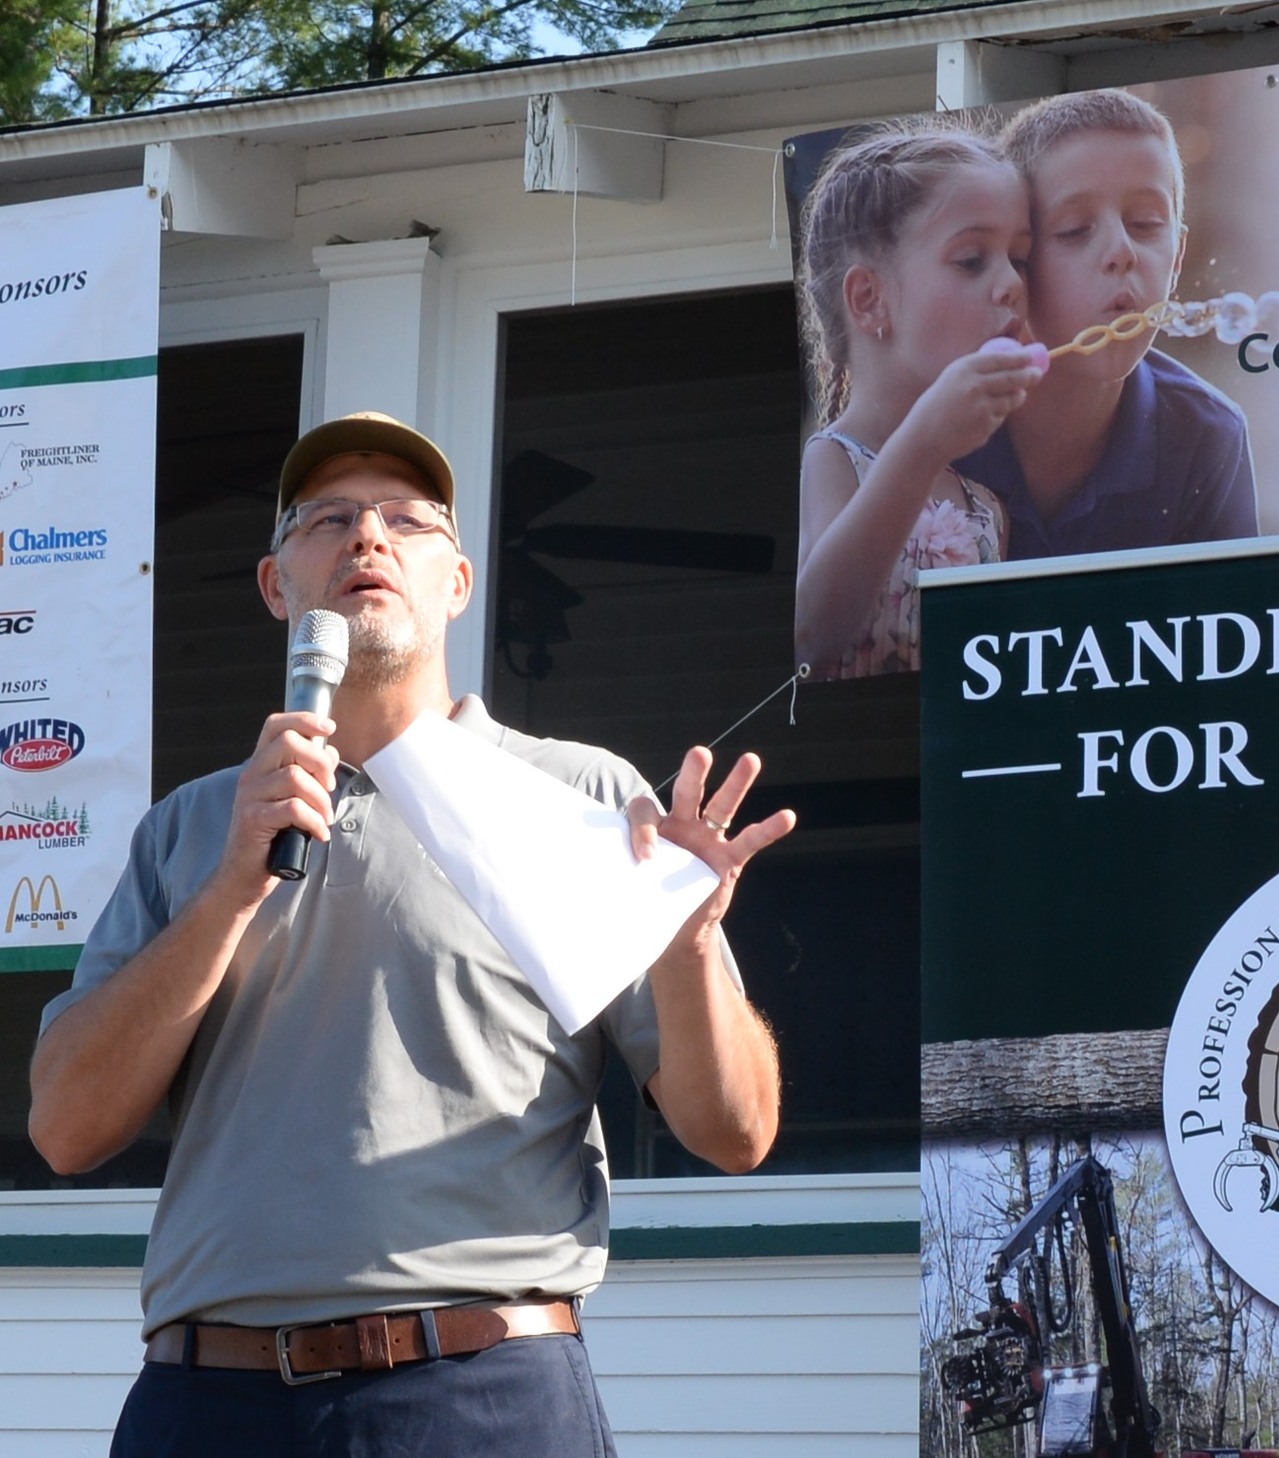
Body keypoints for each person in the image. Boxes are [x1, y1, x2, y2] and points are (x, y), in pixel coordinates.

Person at [27, 410, 793, 1455]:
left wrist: (690, 944)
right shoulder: (187, 829)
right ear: (274, 586)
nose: (367, 539)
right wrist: (227, 896)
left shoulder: (583, 800)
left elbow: (734, 1132)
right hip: (208, 1402)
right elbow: (66, 1128)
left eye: (407, 520)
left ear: (459, 582)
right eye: (328, 518)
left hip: (479, 1394)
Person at [794, 123, 1049, 679]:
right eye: (971, 260)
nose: (1011, 284)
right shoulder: (832, 461)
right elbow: (814, 634)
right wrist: (925, 440)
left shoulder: (987, 508)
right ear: (869, 300)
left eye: (1020, 258)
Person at [958, 88, 1258, 559]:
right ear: (1016, 257)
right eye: (1075, 230)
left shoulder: (1207, 435)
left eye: (1145, 222)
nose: (1122, 252)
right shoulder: (941, 419)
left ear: (1177, 257)